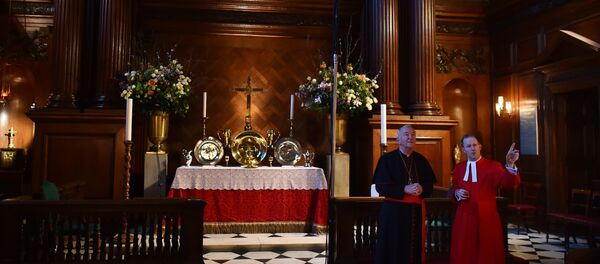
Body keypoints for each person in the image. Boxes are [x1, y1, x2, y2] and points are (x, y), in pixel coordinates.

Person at [450, 134, 520, 264]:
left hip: (486, 217)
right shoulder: (459, 168)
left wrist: (510, 164)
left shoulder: (493, 166)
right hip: (464, 218)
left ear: (480, 146)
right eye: (469, 146)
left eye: (475, 145)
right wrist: (457, 193)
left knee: (486, 253)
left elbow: (509, 182)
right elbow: (454, 189)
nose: (472, 148)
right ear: (464, 149)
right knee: (465, 252)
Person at [373, 125, 437, 264]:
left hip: (415, 213)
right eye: (406, 134)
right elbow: (381, 187)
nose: (410, 137)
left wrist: (422, 188)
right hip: (393, 213)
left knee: (414, 247)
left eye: (413, 134)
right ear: (398, 139)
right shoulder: (387, 160)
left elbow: (429, 186)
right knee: (394, 247)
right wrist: (404, 189)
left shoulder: (421, 160)